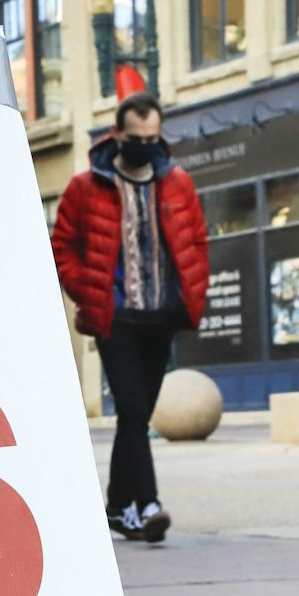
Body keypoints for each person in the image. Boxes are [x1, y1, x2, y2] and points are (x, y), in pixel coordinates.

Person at [51, 92, 210, 543]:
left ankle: (118, 508)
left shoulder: (176, 182)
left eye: (152, 138)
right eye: (136, 138)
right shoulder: (87, 186)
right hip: (115, 317)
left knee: (135, 417)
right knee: (133, 408)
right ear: (117, 134)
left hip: (161, 315)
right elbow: (62, 246)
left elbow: (197, 241)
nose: (145, 145)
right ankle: (149, 504)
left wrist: (190, 293)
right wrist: (87, 289)